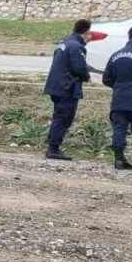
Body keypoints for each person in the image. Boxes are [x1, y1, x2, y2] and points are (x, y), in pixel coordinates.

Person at [43, 19, 95, 161]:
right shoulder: (76, 46)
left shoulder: (64, 43)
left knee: (58, 116)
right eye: (90, 34)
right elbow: (79, 68)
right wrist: (87, 76)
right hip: (67, 87)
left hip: (56, 86)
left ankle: (52, 143)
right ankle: (53, 148)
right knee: (64, 118)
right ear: (87, 32)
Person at [101, 25, 132, 173]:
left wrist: (120, 87)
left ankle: (119, 159)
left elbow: (106, 79)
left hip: (118, 101)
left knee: (119, 130)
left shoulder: (116, 54)